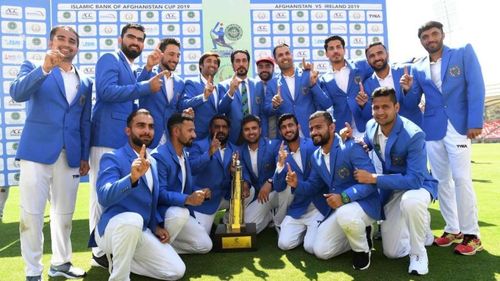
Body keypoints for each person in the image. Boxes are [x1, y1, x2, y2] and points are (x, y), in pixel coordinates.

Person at [9, 25, 92, 280]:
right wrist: (44, 68)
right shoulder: (34, 64)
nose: (67, 44)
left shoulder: (85, 80)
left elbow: (84, 120)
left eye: (73, 41)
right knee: (32, 215)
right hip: (37, 152)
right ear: (50, 41)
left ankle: (61, 264)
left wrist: (84, 155)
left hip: (70, 156)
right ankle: (33, 271)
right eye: (61, 39)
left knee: (64, 214)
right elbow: (17, 92)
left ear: (78, 47)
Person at [401, 21, 485, 255]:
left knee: (461, 178)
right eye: (425, 37)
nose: (430, 39)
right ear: (421, 42)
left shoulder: (462, 52)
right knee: (441, 181)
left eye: (434, 34)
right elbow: (410, 104)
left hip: (458, 127)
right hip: (433, 128)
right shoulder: (417, 67)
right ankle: (452, 229)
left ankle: (472, 234)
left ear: (442, 35)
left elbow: (476, 87)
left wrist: (475, 122)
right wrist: (407, 90)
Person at [89, 23, 165, 266]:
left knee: (121, 191)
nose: (136, 42)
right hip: (106, 137)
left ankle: (116, 242)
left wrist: (147, 70)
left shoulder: (129, 65)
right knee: (100, 195)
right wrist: (144, 85)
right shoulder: (110, 58)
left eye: (140, 39)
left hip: (121, 140)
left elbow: (130, 92)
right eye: (131, 37)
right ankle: (99, 251)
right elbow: (107, 91)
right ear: (120, 39)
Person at [91, 109, 185, 280]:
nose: (146, 131)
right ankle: (119, 276)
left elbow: (150, 202)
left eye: (150, 127)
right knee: (132, 219)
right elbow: (104, 196)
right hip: (113, 230)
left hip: (140, 230)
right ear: (128, 130)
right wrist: (131, 178)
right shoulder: (112, 157)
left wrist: (155, 226)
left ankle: (124, 259)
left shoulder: (153, 161)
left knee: (176, 271)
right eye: (140, 126)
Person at [353, 87, 437, 275]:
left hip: (419, 185)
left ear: (396, 107)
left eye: (385, 107)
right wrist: (357, 142)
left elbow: (414, 180)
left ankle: (418, 255)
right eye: (376, 107)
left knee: (411, 202)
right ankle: (422, 226)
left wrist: (374, 179)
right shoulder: (370, 126)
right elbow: (367, 142)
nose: (380, 112)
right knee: (392, 252)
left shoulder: (414, 134)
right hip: (393, 187)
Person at [286, 111, 380, 270]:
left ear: (332, 127)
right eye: (311, 129)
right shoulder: (316, 156)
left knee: (345, 214)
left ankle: (362, 250)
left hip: (364, 205)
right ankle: (361, 234)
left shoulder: (351, 146)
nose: (314, 132)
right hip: (340, 210)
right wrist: (297, 184)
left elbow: (370, 183)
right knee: (321, 251)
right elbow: (313, 186)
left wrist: (343, 197)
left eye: (318, 127)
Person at [151, 113, 213, 254]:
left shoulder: (184, 154)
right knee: (180, 213)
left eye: (194, 130)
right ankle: (158, 253)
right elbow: (160, 193)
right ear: (176, 131)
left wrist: (201, 191)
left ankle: (162, 247)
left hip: (181, 212)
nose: (194, 135)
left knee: (205, 245)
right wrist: (187, 199)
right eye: (190, 131)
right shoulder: (159, 156)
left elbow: (185, 186)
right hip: (164, 215)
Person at [273, 113, 327, 252]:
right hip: (298, 208)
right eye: (284, 127)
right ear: (280, 132)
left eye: (290, 125)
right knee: (284, 244)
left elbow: (317, 183)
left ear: (298, 126)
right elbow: (278, 187)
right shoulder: (281, 154)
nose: (288, 129)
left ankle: (312, 232)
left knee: (310, 247)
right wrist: (280, 165)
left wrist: (296, 184)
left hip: (318, 206)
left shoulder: (314, 146)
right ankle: (305, 232)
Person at [310, 36, 373, 137]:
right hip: (343, 130)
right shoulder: (324, 79)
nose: (335, 51)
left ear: (344, 50)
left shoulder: (361, 66)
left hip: (367, 125)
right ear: (326, 54)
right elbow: (326, 104)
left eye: (338, 47)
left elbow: (377, 79)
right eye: (331, 48)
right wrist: (314, 85)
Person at [264, 44, 331, 138]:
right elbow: (267, 110)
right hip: (287, 137)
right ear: (275, 60)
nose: (285, 57)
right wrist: (274, 105)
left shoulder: (308, 75)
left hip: (312, 134)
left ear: (292, 55)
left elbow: (326, 103)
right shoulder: (272, 83)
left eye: (287, 53)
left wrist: (314, 85)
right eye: (280, 55)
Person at [188, 115, 239, 233]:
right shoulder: (198, 145)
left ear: (229, 130)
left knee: (249, 192)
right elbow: (192, 168)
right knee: (202, 241)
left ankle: (226, 221)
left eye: (224, 127)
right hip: (206, 200)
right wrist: (209, 152)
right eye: (217, 127)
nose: (221, 130)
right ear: (210, 129)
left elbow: (241, 175)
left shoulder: (235, 149)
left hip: (225, 196)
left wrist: (233, 173)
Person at [363, 42, 423, 128]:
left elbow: (412, 105)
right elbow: (371, 115)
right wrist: (363, 105)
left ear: (387, 54)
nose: (377, 58)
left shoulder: (407, 71)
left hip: (413, 129)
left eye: (380, 53)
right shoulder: (367, 85)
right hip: (387, 133)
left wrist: (407, 90)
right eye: (372, 56)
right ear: (368, 61)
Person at [139, 38, 186, 148]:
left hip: (171, 141)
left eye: (178, 55)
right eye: (171, 54)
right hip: (148, 139)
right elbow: (135, 90)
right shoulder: (148, 73)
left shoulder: (180, 82)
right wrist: (148, 67)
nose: (175, 59)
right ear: (161, 54)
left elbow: (177, 109)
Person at [239, 115, 281, 233]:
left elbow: (280, 167)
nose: (251, 132)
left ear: (260, 130)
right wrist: (245, 184)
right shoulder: (240, 151)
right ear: (242, 132)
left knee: (248, 227)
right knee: (247, 227)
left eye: (254, 128)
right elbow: (244, 172)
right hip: (258, 196)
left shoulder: (274, 145)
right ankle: (268, 216)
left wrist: (270, 182)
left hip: (275, 191)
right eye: (247, 129)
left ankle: (275, 214)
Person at [219, 50, 268, 143]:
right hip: (234, 137)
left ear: (248, 63)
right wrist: (231, 91)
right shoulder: (223, 86)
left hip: (255, 135)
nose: (241, 64)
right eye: (237, 61)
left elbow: (262, 114)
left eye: (244, 60)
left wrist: (264, 136)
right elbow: (221, 110)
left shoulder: (258, 84)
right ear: (232, 64)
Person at [180, 52, 221, 140]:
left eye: (215, 62)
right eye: (209, 61)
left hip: (215, 138)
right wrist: (204, 96)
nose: (212, 64)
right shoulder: (192, 83)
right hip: (196, 138)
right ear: (201, 65)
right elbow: (184, 104)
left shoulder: (218, 88)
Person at [255, 56, 278, 139]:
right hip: (257, 135)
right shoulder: (253, 86)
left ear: (273, 68)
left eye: (268, 66)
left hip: (278, 133)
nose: (264, 69)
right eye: (260, 67)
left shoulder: (280, 85)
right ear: (257, 69)